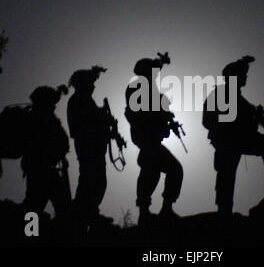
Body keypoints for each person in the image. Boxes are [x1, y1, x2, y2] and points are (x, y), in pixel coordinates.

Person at [202, 56, 264, 217]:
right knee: (226, 174)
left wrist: (258, 120)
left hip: (239, 139)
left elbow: (249, 126)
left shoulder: (243, 101)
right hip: (227, 141)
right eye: (242, 74)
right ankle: (224, 210)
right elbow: (207, 120)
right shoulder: (220, 94)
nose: (245, 78)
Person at [125, 53, 183, 226]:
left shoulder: (148, 87)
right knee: (169, 170)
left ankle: (155, 211)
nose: (156, 75)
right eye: (153, 72)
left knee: (152, 172)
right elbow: (142, 113)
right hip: (146, 138)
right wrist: (161, 113)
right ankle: (155, 211)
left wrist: (165, 117)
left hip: (151, 138)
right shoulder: (138, 87)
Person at [67, 66, 111, 228]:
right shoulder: (79, 100)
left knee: (95, 181)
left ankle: (88, 214)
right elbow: (86, 123)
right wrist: (102, 117)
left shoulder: (83, 100)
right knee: (91, 181)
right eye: (91, 83)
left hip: (94, 148)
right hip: (89, 148)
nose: (93, 86)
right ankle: (81, 217)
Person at [22, 85, 71, 218]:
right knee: (35, 206)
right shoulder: (41, 116)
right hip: (40, 168)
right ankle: (30, 234)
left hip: (43, 167)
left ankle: (32, 234)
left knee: (36, 206)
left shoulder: (43, 116)